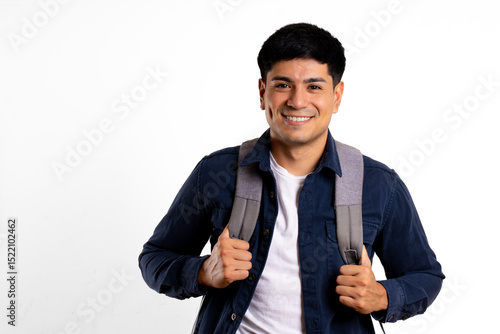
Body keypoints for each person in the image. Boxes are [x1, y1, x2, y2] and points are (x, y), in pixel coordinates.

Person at [139, 23, 444, 334]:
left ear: (336, 96)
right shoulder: (217, 173)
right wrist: (204, 271)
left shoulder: (378, 185)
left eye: (314, 87)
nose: (298, 102)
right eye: (283, 85)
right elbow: (154, 258)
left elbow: (426, 276)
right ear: (263, 92)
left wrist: (382, 296)